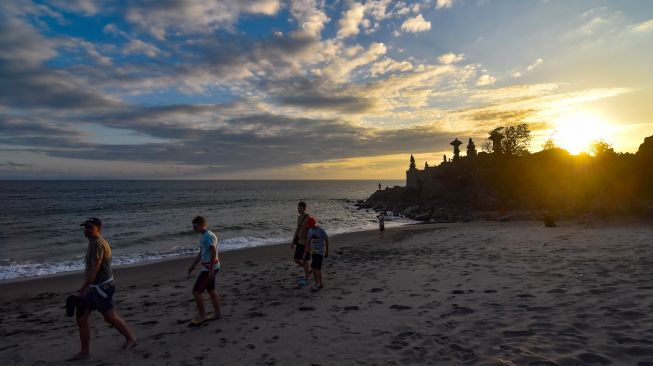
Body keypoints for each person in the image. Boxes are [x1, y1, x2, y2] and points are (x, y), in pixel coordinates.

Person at [69, 218, 135, 361]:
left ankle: (130, 338)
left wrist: (83, 288)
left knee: (110, 317)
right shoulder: (93, 243)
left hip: (102, 288)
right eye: (85, 227)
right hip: (94, 288)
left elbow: (94, 269)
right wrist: (87, 288)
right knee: (81, 319)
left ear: (98, 229)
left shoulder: (98, 244)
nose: (86, 229)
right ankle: (84, 352)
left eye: (90, 227)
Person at [187, 216, 222, 326]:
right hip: (210, 267)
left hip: (209, 269)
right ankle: (217, 313)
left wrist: (211, 270)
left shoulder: (207, 237)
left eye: (196, 226)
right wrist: (193, 266)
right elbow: (202, 252)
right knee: (211, 290)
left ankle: (202, 316)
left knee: (196, 291)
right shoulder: (205, 235)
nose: (194, 229)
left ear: (202, 225)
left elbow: (212, 253)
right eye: (193, 226)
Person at [304, 217, 329, 292]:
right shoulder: (310, 230)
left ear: (314, 223)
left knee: (314, 267)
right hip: (313, 252)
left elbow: (326, 239)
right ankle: (320, 283)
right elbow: (308, 241)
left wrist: (327, 251)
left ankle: (316, 283)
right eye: (309, 225)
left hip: (320, 252)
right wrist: (306, 251)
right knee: (318, 268)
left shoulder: (320, 230)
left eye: (311, 225)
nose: (311, 226)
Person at [291, 201, 311, 288]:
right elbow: (297, 230)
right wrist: (293, 241)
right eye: (298, 208)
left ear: (304, 208)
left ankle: (306, 277)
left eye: (300, 208)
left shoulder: (308, 218)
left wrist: (309, 245)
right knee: (296, 260)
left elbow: (311, 232)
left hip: (305, 243)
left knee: (305, 261)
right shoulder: (299, 218)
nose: (298, 210)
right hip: (299, 242)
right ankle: (308, 271)